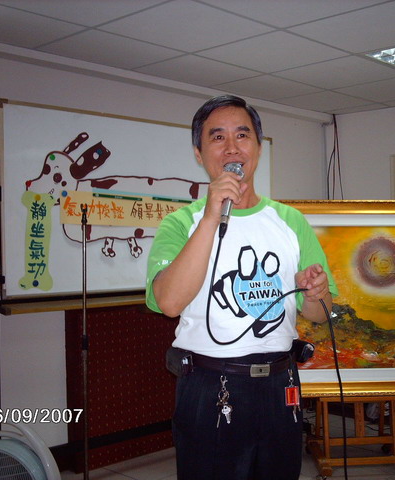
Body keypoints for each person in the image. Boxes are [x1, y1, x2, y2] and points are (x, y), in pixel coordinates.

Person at [145, 95, 337, 480]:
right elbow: (168, 302)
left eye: (243, 135)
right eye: (217, 137)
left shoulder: (290, 221)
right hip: (209, 385)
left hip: (281, 385)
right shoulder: (180, 224)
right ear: (199, 154)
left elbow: (321, 313)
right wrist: (211, 218)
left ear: (258, 148)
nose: (232, 147)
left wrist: (314, 293)